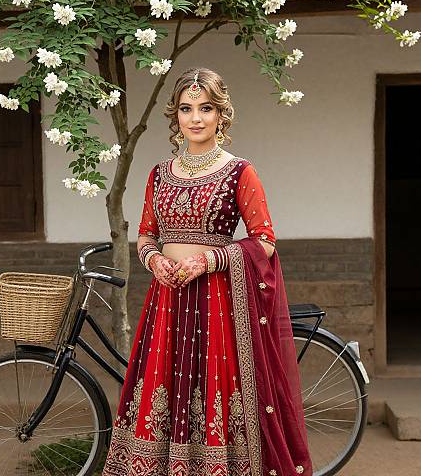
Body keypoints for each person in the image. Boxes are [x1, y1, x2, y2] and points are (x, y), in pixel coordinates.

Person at [102, 68, 312, 476]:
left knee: (215, 391)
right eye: (186, 108)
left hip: (218, 303)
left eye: (206, 108)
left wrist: (207, 261)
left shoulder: (239, 171)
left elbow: (265, 240)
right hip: (167, 301)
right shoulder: (159, 174)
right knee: (163, 389)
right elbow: (145, 235)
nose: (195, 118)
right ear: (175, 116)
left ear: (222, 115)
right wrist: (155, 261)